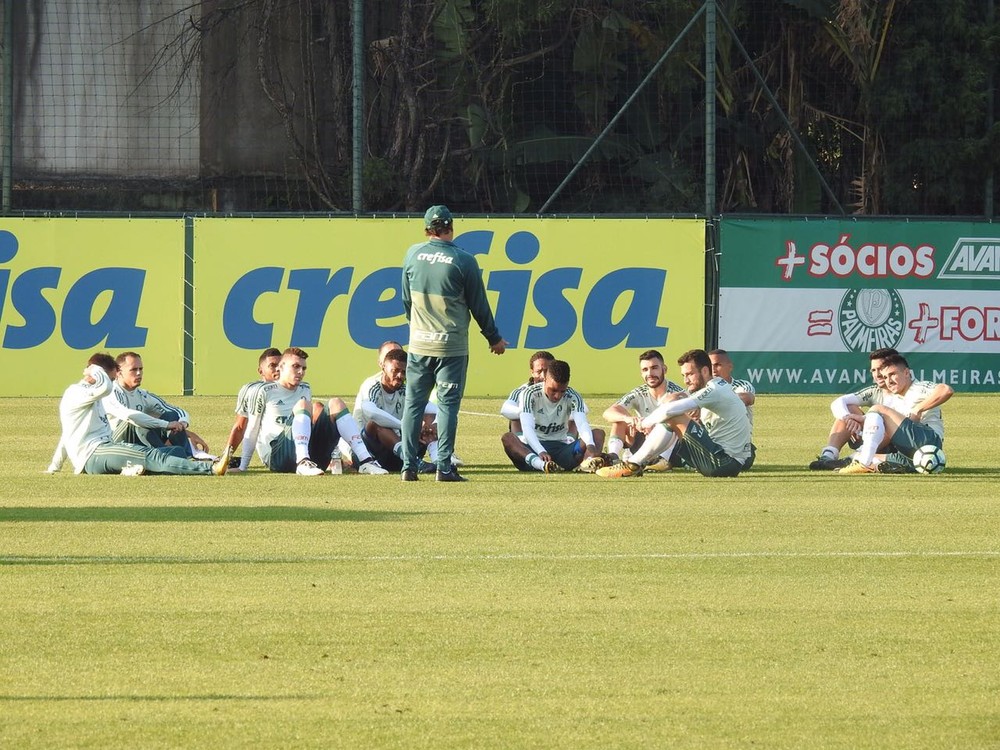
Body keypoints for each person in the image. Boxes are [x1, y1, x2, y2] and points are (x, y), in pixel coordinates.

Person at [399, 205, 508, 482]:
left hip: (419, 346)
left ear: (426, 229)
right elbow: (478, 305)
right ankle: (443, 467)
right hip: (451, 348)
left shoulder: (412, 254)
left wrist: (418, 330)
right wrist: (493, 338)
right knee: (447, 406)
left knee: (413, 404)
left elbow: (406, 301)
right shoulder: (464, 260)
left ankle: (408, 467)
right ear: (451, 228)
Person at [50, 352, 231, 476]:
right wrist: (95, 370)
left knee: (148, 456)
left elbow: (68, 434)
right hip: (93, 453)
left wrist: (54, 467)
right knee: (150, 455)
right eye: (112, 378)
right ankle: (211, 469)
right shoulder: (78, 392)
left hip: (101, 450)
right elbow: (107, 389)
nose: (112, 382)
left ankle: (137, 466)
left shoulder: (91, 394)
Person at [596, 348, 752, 478]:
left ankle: (632, 465)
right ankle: (642, 462)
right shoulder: (715, 388)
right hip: (724, 460)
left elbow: (671, 410)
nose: (686, 380)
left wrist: (645, 423)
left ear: (705, 371)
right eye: (684, 376)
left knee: (673, 415)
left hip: (724, 463)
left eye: (690, 374)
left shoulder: (714, 389)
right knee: (674, 414)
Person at [237, 347, 388, 475]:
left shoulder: (305, 388)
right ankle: (303, 462)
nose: (300, 372)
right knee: (303, 404)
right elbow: (252, 428)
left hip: (312, 456)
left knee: (336, 403)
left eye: (303, 368)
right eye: (295, 366)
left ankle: (365, 461)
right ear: (281, 367)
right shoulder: (264, 391)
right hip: (278, 456)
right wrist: (243, 466)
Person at [838, 353, 953, 474]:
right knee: (877, 454)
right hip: (916, 452)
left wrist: (918, 409)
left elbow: (946, 390)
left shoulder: (918, 387)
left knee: (878, 409)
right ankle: (871, 461)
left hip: (929, 441)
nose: (889, 381)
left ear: (906, 373)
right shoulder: (896, 399)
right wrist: (865, 420)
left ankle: (864, 463)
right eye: (885, 377)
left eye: (892, 375)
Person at [500, 359, 605, 473]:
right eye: (553, 390)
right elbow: (527, 427)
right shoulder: (529, 393)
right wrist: (541, 451)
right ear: (545, 379)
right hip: (534, 451)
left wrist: (590, 445)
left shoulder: (574, 396)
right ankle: (541, 465)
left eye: (562, 391)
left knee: (598, 434)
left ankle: (587, 464)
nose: (557, 396)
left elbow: (582, 423)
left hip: (562, 450)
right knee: (508, 438)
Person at [102, 351, 209, 458]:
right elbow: (130, 416)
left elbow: (178, 412)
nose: (139, 373)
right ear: (119, 373)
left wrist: (182, 425)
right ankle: (168, 456)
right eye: (133, 370)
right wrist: (167, 425)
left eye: (141, 369)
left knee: (170, 415)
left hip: (139, 439)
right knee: (138, 420)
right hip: (115, 442)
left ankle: (182, 454)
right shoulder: (111, 392)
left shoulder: (142, 395)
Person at [808, 347, 898, 470]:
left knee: (888, 421)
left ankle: (853, 458)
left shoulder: (908, 391)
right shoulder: (875, 391)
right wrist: (848, 419)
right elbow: (838, 402)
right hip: (874, 438)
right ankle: (828, 455)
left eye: (881, 369)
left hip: (896, 444)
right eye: (873, 370)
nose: (877, 375)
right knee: (849, 409)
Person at [353, 347, 440, 472]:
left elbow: (438, 410)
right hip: (374, 453)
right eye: (395, 371)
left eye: (404, 372)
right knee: (376, 423)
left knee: (428, 414)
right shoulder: (372, 386)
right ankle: (414, 462)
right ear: (383, 368)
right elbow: (370, 412)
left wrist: (431, 425)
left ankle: (438, 461)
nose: (400, 376)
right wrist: (405, 426)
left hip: (398, 451)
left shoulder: (406, 390)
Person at [602, 349, 685, 471]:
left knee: (673, 421)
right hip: (645, 441)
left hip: (669, 446)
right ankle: (613, 457)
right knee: (620, 419)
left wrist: (653, 425)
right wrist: (629, 419)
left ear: (664, 369)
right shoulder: (639, 392)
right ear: (641, 373)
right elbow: (608, 412)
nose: (650, 373)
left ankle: (663, 461)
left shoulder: (676, 392)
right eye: (645, 370)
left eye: (654, 368)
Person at [223, 347, 282, 466]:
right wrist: (226, 456)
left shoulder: (297, 388)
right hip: (274, 448)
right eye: (272, 365)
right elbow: (240, 426)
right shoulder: (251, 390)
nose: (278, 369)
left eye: (281, 365)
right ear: (261, 371)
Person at [708, 348, 757, 468]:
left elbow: (747, 398)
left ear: (730, 366)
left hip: (738, 444)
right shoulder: (704, 389)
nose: (713, 370)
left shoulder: (741, 385)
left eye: (718, 365)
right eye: (710, 366)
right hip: (712, 441)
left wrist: (710, 400)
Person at [499, 350, 556, 433]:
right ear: (532, 373)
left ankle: (569, 442)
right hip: (529, 437)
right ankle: (521, 444)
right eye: (539, 372)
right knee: (515, 419)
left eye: (547, 371)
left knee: (572, 421)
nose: (543, 376)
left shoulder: (563, 391)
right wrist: (526, 412)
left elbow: (580, 410)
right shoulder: (521, 391)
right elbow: (505, 409)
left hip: (556, 436)